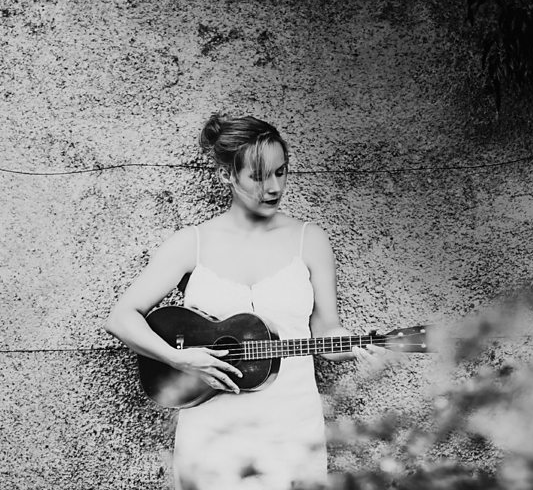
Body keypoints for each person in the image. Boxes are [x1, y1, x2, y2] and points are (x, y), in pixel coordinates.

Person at [105, 113, 384, 490]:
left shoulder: (310, 240)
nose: (274, 187)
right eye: (259, 176)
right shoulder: (191, 243)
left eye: (281, 172)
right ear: (226, 175)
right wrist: (177, 358)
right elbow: (122, 317)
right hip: (210, 427)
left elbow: (326, 333)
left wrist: (354, 346)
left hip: (292, 424)